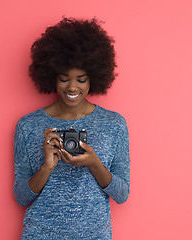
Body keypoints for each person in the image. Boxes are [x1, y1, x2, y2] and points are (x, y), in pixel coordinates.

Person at [14, 17, 130, 239]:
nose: (73, 87)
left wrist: (94, 163)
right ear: (52, 78)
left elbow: (122, 194)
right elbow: (21, 197)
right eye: (64, 79)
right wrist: (46, 167)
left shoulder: (114, 124)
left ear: (94, 79)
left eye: (82, 79)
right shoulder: (28, 125)